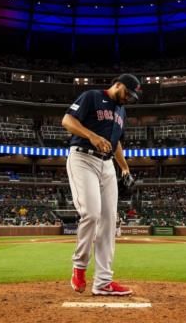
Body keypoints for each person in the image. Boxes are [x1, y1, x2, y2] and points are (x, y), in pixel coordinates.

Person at [62, 73, 141, 296]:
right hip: (83, 158)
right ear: (118, 85)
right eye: (128, 93)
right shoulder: (92, 97)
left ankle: (103, 282)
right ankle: (79, 267)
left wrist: (124, 168)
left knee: (109, 222)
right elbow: (67, 121)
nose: (129, 98)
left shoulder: (121, 112)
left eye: (132, 96)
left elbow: (116, 143)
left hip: (107, 166)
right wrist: (92, 136)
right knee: (91, 214)